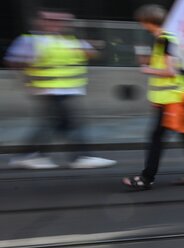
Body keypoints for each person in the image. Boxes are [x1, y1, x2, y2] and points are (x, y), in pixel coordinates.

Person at [4, 11, 116, 170]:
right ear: (39, 22)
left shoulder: (70, 41)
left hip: (68, 90)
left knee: (53, 124)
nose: (56, 23)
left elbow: (93, 53)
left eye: (61, 20)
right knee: (69, 124)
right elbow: (13, 61)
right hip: (48, 91)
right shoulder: (31, 40)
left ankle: (28, 155)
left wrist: (92, 46)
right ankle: (79, 157)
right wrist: (28, 81)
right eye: (50, 20)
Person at [122, 4, 184, 190]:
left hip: (172, 101)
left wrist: (147, 69)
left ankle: (146, 178)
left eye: (142, 22)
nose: (142, 25)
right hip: (179, 98)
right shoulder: (169, 38)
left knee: (156, 138)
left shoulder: (164, 40)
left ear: (148, 22)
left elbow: (170, 71)